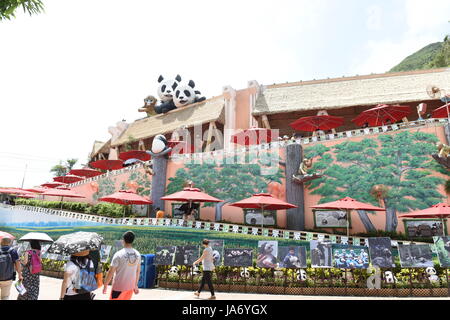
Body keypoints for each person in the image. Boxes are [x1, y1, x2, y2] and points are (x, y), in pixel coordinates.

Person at [103, 231, 141, 300]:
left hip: (118, 287)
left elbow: (111, 271)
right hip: (130, 287)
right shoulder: (137, 254)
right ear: (132, 240)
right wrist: (135, 285)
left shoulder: (118, 254)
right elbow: (138, 271)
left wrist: (105, 284)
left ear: (123, 240)